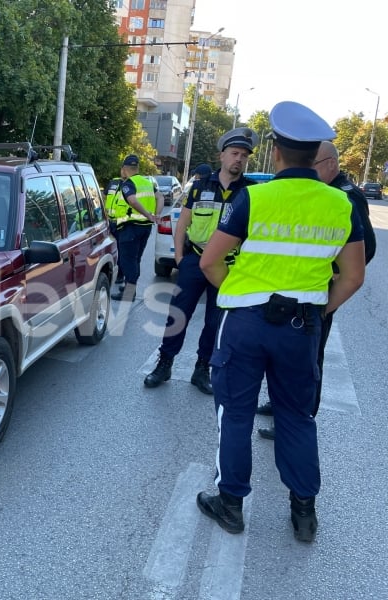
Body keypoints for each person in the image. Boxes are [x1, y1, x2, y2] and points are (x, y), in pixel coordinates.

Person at [196, 101, 366, 543]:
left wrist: (238, 294)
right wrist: (317, 309)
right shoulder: (341, 204)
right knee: (296, 417)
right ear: (315, 156)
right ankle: (304, 513)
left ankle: (230, 503)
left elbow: (211, 262)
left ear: (276, 151)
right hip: (301, 327)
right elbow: (353, 276)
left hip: (246, 324)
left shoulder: (255, 196)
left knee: (235, 412)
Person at [256, 141, 377, 439]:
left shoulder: (346, 197)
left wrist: (334, 275)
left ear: (332, 164)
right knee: (287, 353)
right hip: (298, 291)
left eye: (314, 164)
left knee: (309, 359)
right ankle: (281, 404)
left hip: (319, 291)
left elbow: (366, 248)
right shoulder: (321, 192)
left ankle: (299, 417)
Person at [144, 128, 259, 394]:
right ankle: (165, 364)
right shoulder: (200, 186)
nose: (239, 159)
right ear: (222, 156)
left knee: (215, 320)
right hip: (195, 261)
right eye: (234, 153)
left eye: (244, 155)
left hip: (229, 266)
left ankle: (201, 369)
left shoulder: (251, 192)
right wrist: (181, 258)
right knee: (178, 315)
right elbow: (182, 223)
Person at [105, 154, 162, 302]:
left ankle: (129, 294)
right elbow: (160, 197)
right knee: (135, 259)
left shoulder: (128, 184)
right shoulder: (147, 182)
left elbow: (132, 201)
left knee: (127, 261)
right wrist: (156, 214)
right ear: (137, 168)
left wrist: (148, 214)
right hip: (145, 228)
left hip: (130, 228)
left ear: (124, 169)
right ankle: (130, 288)